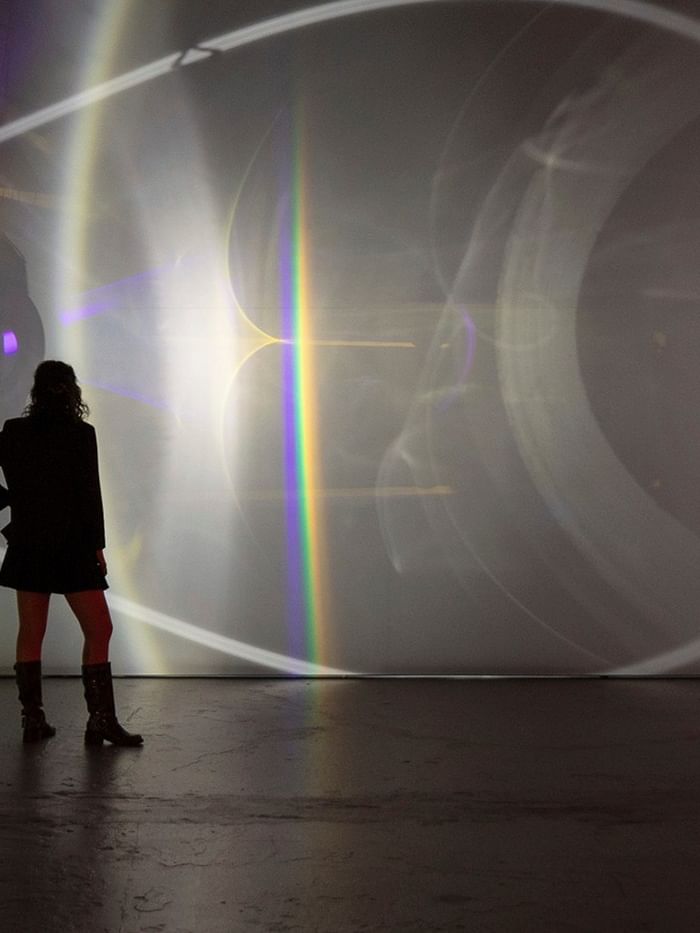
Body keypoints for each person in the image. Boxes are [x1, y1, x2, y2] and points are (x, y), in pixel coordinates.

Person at [0, 360, 142, 746]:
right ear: (72, 391)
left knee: (31, 633)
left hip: (29, 544)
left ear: (35, 391)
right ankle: (99, 721)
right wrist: (97, 545)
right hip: (72, 547)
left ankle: (33, 721)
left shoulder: (13, 431)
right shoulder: (81, 434)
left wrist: (14, 501)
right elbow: (88, 495)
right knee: (99, 629)